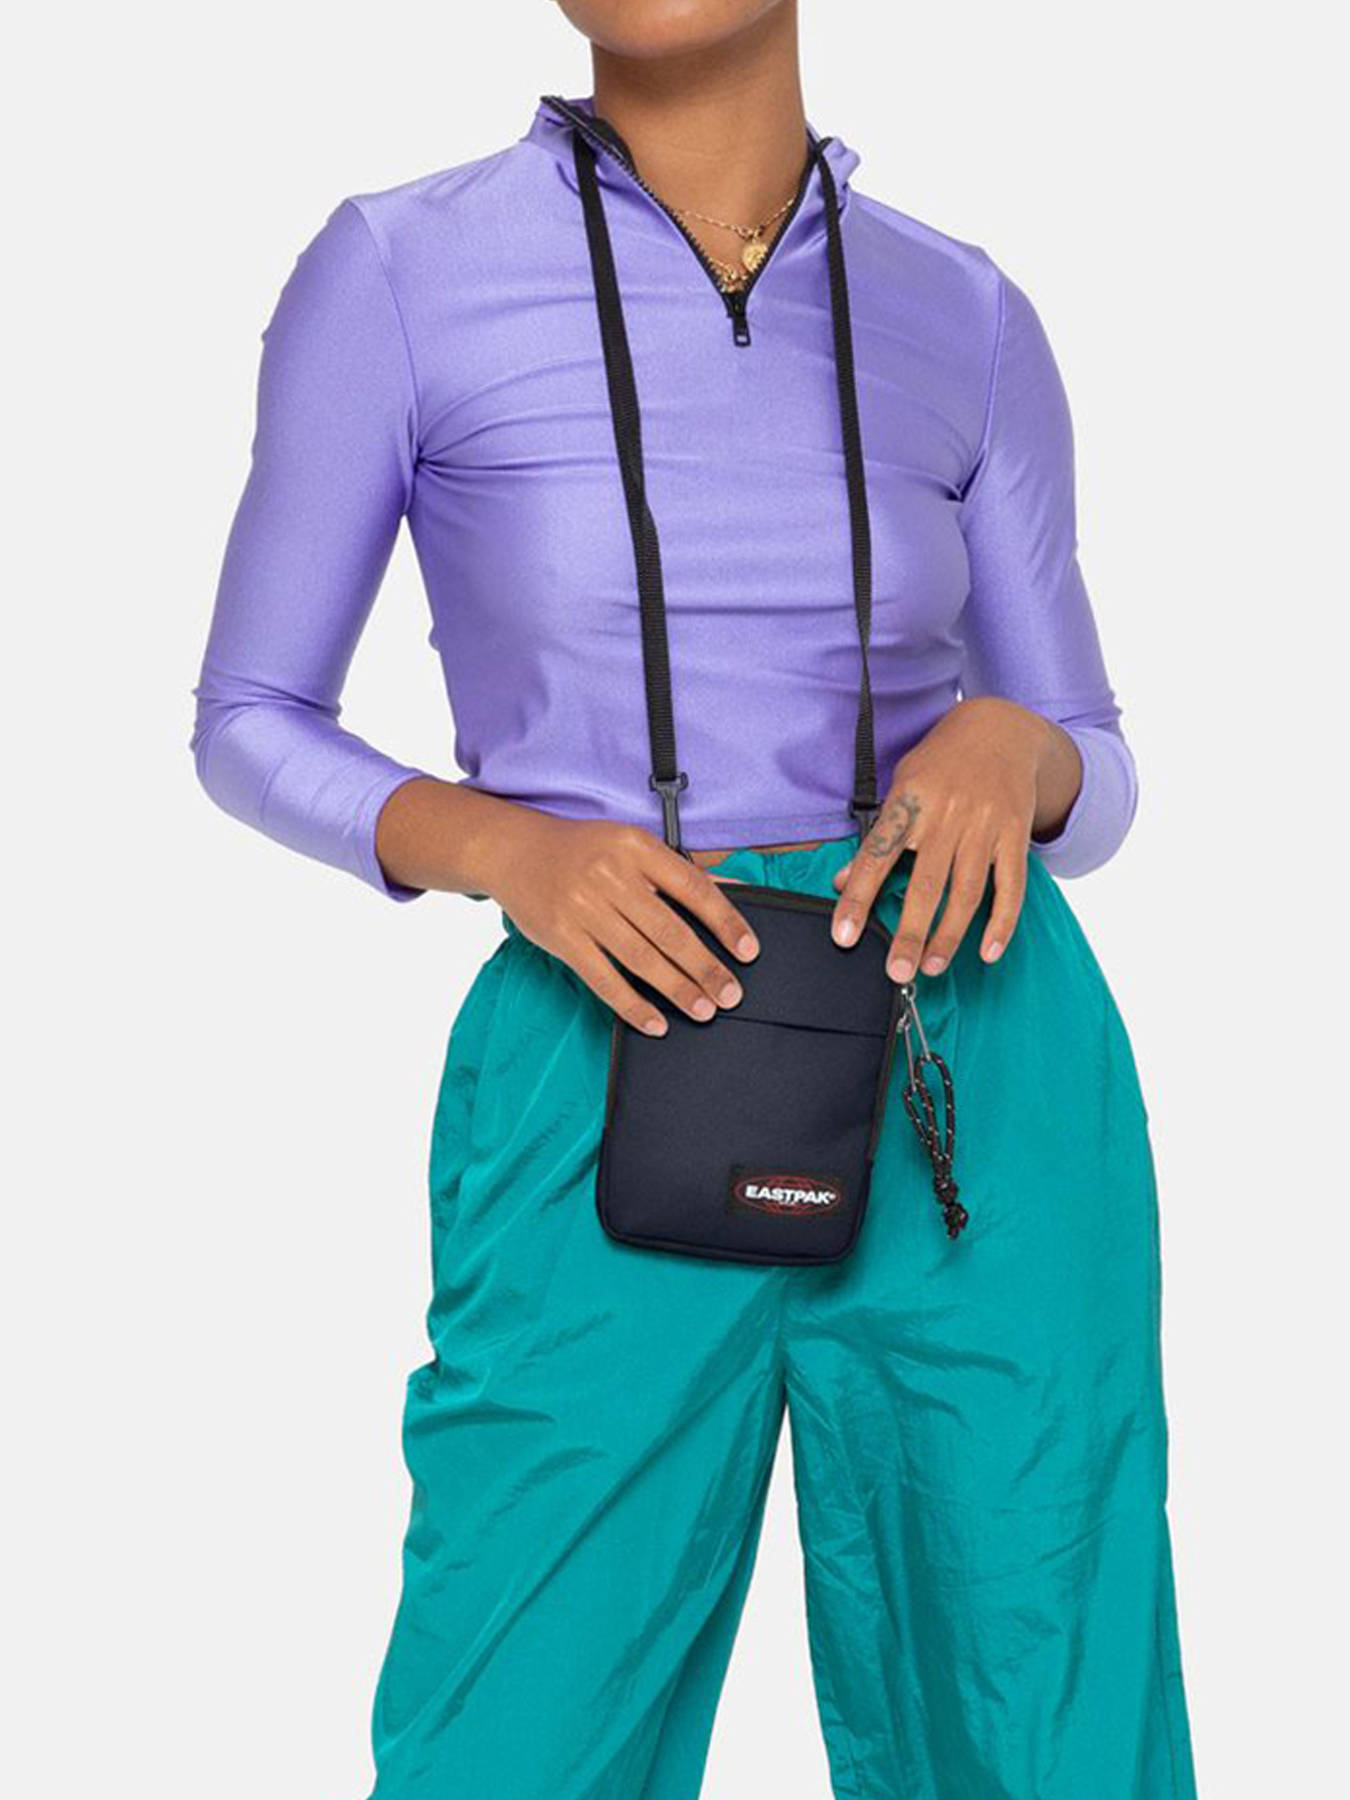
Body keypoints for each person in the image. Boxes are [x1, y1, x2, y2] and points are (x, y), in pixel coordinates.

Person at [191, 2, 1197, 1794]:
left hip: (973, 1052)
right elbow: (249, 719)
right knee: (514, 1732)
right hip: (608, 1026)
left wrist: (1014, 743)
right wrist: (507, 846)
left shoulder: (963, 311)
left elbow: (1095, 774)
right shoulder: (401, 272)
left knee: (1044, 1719)